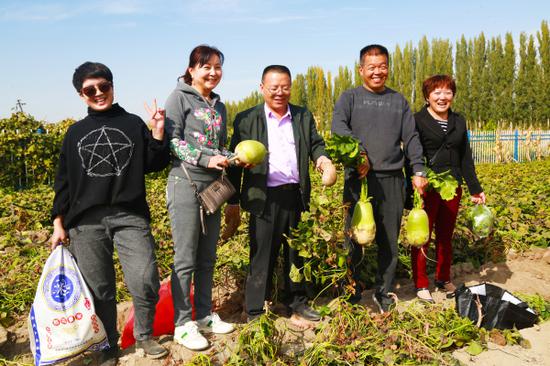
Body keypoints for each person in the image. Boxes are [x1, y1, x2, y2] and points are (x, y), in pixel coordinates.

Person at [50, 62, 170, 365]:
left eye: (104, 86)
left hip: (130, 215)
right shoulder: (75, 133)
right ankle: (107, 346)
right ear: (81, 95)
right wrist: (57, 223)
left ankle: (144, 335)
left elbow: (154, 164)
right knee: (99, 288)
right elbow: (63, 182)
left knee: (145, 279)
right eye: (91, 90)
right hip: (86, 222)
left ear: (112, 86)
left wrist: (157, 132)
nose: (99, 93)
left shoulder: (132, 123)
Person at [225, 65, 334, 322]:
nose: (279, 92)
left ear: (291, 87)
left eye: (285, 87)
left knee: (297, 253)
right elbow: (233, 161)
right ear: (262, 88)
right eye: (274, 88)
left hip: (296, 195)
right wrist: (233, 202)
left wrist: (322, 159)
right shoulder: (246, 119)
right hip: (264, 198)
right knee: (262, 254)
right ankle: (254, 310)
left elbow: (316, 143)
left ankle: (297, 301)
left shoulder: (302, 115)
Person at [331, 44, 428, 313]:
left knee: (389, 240)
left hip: (392, 180)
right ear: (361, 69)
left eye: (382, 66)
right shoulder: (349, 98)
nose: (377, 72)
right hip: (358, 179)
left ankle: (383, 290)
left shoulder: (398, 101)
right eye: (371, 67)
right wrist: (358, 154)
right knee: (353, 238)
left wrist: (418, 169)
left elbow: (411, 138)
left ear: (388, 67)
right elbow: (339, 128)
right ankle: (351, 289)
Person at [164, 45, 235, 351]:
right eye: (206, 66)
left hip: (213, 188)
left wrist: (235, 157)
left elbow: (219, 146)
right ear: (191, 69)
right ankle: (182, 323)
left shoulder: (219, 105)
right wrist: (206, 161)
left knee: (207, 256)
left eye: (218, 66)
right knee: (185, 258)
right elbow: (174, 142)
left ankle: (204, 314)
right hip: (186, 183)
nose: (213, 72)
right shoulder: (178, 97)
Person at [412, 74, 486, 302]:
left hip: (452, 186)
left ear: (452, 95)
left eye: (447, 92)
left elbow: (465, 157)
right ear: (427, 96)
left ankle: (443, 278)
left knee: (445, 236)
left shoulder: (459, 121)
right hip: (428, 186)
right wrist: (417, 177)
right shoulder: (417, 120)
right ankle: (421, 282)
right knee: (422, 235)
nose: (442, 97)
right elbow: (412, 152)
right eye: (437, 92)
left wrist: (475, 188)